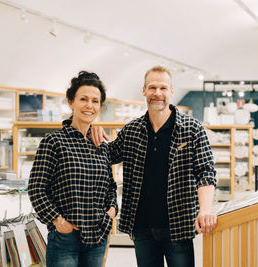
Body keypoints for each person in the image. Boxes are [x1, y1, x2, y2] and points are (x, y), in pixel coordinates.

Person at [91, 66, 217, 267]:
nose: (157, 93)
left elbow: (206, 172)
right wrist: (91, 127)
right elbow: (107, 155)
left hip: (179, 225)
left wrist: (205, 210)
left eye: (163, 88)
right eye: (152, 87)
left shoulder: (192, 129)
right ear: (144, 90)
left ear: (171, 92)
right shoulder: (132, 130)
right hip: (142, 228)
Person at [28, 71, 117, 267]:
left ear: (100, 106)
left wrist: (111, 211)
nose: (89, 105)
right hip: (66, 238)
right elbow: (36, 188)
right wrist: (58, 222)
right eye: (83, 99)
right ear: (71, 102)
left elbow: (110, 186)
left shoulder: (101, 145)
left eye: (95, 101)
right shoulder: (54, 142)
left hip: (98, 235)